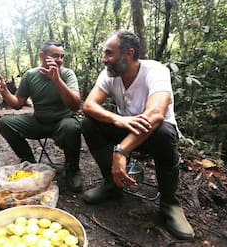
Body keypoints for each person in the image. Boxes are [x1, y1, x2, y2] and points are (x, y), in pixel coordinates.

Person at [81, 30, 194, 239]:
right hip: (127, 127)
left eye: (109, 54)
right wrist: (117, 119)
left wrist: (121, 151)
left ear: (129, 53)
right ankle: (112, 184)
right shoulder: (109, 74)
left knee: (164, 131)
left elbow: (156, 113)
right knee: (88, 123)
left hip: (153, 134)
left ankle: (169, 203)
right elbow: (89, 105)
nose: (104, 59)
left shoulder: (156, 71)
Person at [0, 41, 84, 192]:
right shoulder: (30, 75)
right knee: (5, 123)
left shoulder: (67, 74)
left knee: (71, 127)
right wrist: (4, 91)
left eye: (62, 56)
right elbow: (17, 104)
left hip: (62, 122)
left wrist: (57, 80)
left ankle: (72, 169)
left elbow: (75, 105)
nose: (60, 60)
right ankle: (29, 162)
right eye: (55, 56)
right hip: (39, 122)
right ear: (42, 56)